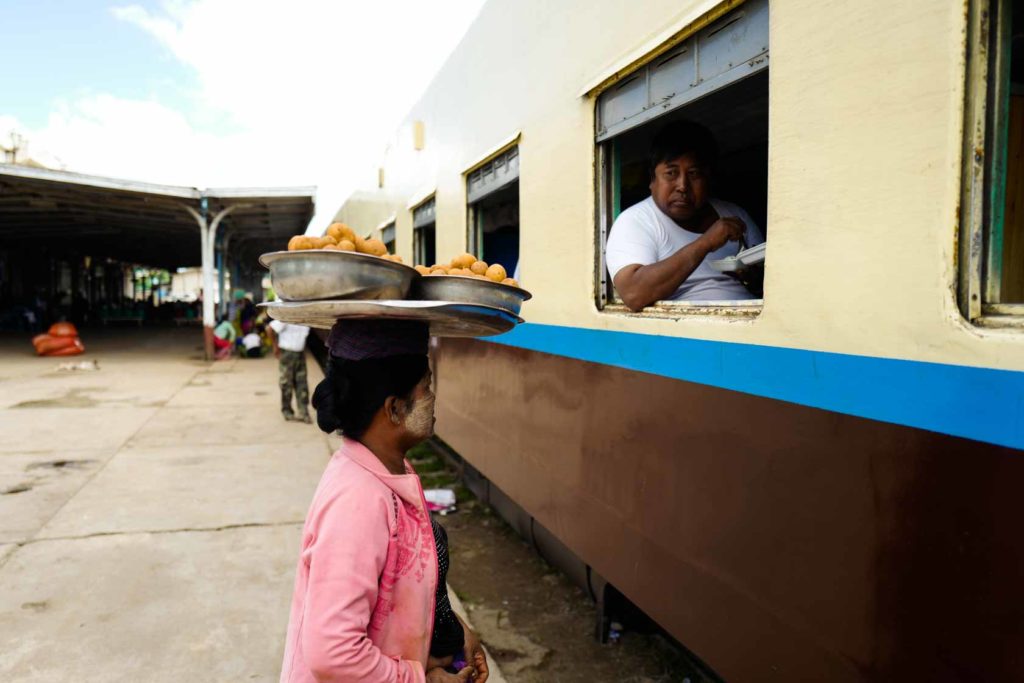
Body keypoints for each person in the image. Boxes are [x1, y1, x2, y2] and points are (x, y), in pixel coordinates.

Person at [279, 319, 489, 683]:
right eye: (426, 387)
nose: (433, 397)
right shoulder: (358, 500)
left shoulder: (392, 471)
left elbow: (402, 591)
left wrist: (455, 630)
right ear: (393, 409)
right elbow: (333, 653)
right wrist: (420, 679)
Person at [605, 120, 765, 311]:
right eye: (671, 173)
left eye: (694, 173)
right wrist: (706, 243)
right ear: (652, 179)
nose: (683, 186)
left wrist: (752, 277)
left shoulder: (734, 214)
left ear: (709, 178)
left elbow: (768, 280)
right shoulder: (635, 221)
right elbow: (634, 294)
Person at [269, 319, 312, 422]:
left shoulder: (306, 316)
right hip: (287, 353)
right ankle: (287, 411)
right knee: (286, 384)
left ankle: (303, 412)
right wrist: (275, 347)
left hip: (300, 353)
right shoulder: (288, 316)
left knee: (302, 383)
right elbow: (269, 329)